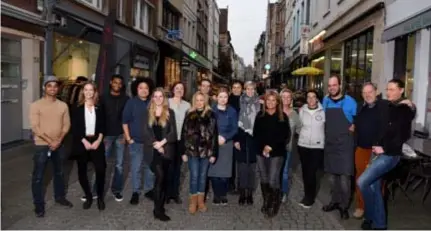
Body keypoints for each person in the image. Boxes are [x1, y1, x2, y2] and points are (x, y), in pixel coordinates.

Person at [357, 79, 416, 230]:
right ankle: (379, 224)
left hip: (389, 154)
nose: (389, 92)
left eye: (392, 89)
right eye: (388, 89)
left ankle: (369, 216)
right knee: (374, 188)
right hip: (376, 151)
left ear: (401, 90)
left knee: (362, 182)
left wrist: (411, 105)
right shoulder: (388, 105)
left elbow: (402, 136)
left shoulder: (403, 109)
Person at [29, 76, 73, 217]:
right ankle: (39, 205)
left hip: (59, 145)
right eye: (49, 86)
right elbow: (35, 127)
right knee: (38, 176)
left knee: (59, 173)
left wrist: (58, 140)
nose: (52, 88)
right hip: (42, 145)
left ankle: (59, 197)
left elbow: (67, 125)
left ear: (58, 88)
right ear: (44, 88)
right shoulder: (36, 105)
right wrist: (50, 141)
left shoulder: (63, 105)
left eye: (55, 86)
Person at [80, 74, 129, 203]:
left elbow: (127, 118)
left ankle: (116, 190)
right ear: (111, 83)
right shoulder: (102, 98)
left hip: (120, 135)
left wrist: (126, 135)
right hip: (105, 136)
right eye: (115, 82)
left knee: (119, 165)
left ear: (122, 85)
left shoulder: (126, 99)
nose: (117, 85)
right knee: (100, 164)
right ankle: (96, 190)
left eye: (120, 83)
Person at [321, 75, 357, 220]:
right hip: (330, 144)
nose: (332, 88)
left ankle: (344, 206)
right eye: (329, 86)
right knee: (331, 178)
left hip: (345, 145)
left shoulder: (350, 102)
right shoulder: (325, 100)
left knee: (344, 180)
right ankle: (334, 202)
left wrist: (355, 126)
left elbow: (357, 121)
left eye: (334, 85)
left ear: (340, 85)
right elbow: (322, 120)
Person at [253, 90, 291, 218]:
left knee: (273, 179)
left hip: (277, 152)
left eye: (273, 100)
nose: (270, 102)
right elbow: (256, 133)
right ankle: (266, 201)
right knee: (263, 178)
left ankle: (274, 203)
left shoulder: (282, 117)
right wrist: (263, 146)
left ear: (277, 102)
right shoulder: (260, 115)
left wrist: (271, 147)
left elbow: (285, 136)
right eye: (268, 100)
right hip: (260, 151)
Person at [352, 83, 387, 219]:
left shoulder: (384, 106)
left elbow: (400, 107)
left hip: (377, 151)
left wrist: (409, 104)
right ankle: (361, 206)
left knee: (377, 181)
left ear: (376, 92)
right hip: (361, 148)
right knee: (360, 179)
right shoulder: (361, 106)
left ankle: (377, 208)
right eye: (364, 92)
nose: (367, 95)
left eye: (370, 92)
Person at [142, 88, 177, 221]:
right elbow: (145, 133)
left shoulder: (169, 112)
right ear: (152, 98)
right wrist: (156, 145)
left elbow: (173, 134)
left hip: (167, 152)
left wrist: (162, 143)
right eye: (155, 96)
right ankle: (157, 210)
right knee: (160, 178)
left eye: (160, 96)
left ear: (164, 98)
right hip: (153, 152)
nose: (158, 99)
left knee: (164, 181)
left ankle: (160, 205)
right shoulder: (147, 113)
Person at [70, 82, 106, 210]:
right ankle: (88, 196)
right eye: (86, 90)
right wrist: (84, 141)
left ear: (95, 91)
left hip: (97, 141)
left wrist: (99, 140)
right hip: (82, 142)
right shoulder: (76, 107)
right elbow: (75, 127)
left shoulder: (99, 106)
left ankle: (100, 198)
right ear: (82, 92)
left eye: (91, 90)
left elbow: (102, 125)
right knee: (82, 171)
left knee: (101, 170)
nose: (88, 92)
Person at [181, 91, 218, 214]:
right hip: (192, 152)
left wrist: (213, 153)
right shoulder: (189, 114)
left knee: (203, 177)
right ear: (194, 101)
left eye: (201, 100)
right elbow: (184, 134)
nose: (199, 102)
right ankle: (193, 202)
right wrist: (184, 152)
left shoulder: (211, 115)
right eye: (197, 100)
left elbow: (214, 135)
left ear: (205, 101)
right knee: (194, 176)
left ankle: (200, 201)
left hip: (206, 152)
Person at [122, 78, 155, 204]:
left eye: (146, 88)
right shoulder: (131, 103)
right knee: (136, 168)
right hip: (135, 142)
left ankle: (149, 190)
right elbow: (125, 122)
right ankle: (136, 192)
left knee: (149, 168)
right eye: (141, 88)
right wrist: (128, 138)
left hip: (150, 142)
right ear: (137, 89)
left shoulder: (152, 103)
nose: (143, 90)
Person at [208, 87, 238, 205]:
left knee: (225, 173)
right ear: (216, 97)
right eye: (220, 97)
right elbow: (208, 128)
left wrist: (225, 137)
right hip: (214, 143)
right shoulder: (211, 111)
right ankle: (216, 194)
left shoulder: (232, 111)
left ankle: (223, 194)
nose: (223, 99)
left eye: (225, 97)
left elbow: (235, 128)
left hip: (227, 144)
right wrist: (216, 137)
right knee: (214, 171)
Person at [297, 90, 325, 208]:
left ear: (317, 99)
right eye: (309, 97)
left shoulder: (324, 111)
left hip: (317, 146)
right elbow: (299, 127)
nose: (311, 99)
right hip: (303, 145)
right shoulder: (302, 111)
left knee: (312, 172)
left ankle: (310, 197)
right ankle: (306, 195)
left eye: (314, 97)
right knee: (305, 171)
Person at [236, 81, 261, 205]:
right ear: (244, 90)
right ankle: (242, 193)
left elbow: (262, 124)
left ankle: (249, 193)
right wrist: (236, 139)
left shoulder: (259, 104)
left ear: (255, 90)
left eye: (252, 89)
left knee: (252, 168)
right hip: (241, 139)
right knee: (241, 168)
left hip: (254, 138)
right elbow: (235, 122)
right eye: (247, 89)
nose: (250, 91)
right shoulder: (239, 102)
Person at [166, 82, 191, 204]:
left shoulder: (187, 105)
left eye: (181, 88)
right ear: (173, 90)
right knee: (167, 167)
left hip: (181, 140)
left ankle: (174, 193)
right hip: (168, 140)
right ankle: (166, 193)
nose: (179, 90)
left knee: (177, 168)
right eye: (177, 88)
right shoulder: (167, 102)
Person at [280, 88, 301, 203]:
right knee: (274, 171)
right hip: (274, 148)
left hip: (287, 148)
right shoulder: (275, 111)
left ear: (291, 99)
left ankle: (283, 192)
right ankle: (275, 191)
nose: (286, 99)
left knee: (285, 172)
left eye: (288, 97)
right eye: (284, 97)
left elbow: (300, 129)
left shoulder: (294, 114)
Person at [228, 80, 243, 193]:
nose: (236, 89)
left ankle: (240, 184)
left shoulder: (244, 100)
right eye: (234, 87)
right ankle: (231, 183)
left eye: (238, 87)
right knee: (231, 161)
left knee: (241, 161)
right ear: (231, 89)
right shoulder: (227, 100)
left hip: (242, 134)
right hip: (231, 134)